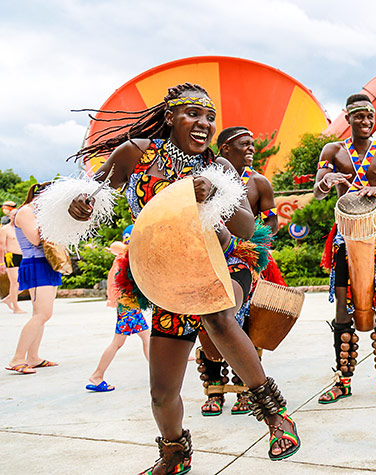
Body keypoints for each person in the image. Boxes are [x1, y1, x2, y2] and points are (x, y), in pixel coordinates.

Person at [68, 83, 299, 473]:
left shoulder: (218, 167)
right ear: (170, 117)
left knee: (217, 315)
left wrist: (216, 195)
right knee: (162, 392)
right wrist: (79, 206)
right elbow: (94, 199)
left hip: (225, 262)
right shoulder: (135, 154)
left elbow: (245, 225)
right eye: (194, 114)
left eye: (210, 118)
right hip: (170, 277)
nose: (204, 124)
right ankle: (174, 453)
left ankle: (277, 418)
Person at [314, 94, 376, 404]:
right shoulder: (333, 151)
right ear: (348, 117)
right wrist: (326, 181)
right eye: (359, 117)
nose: (366, 122)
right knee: (342, 306)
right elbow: (317, 193)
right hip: (343, 236)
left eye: (370, 116)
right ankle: (343, 381)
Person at [192, 126, 287, 417]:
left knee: (244, 321)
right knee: (205, 320)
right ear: (224, 149)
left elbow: (272, 223)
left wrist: (252, 242)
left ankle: (247, 388)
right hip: (205, 256)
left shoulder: (259, 183)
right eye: (244, 144)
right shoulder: (202, 176)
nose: (251, 149)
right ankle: (215, 390)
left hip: (244, 258)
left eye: (252, 144)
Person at [86, 225, 150, 392]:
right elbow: (115, 245)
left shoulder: (130, 255)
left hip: (129, 305)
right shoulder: (125, 253)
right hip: (127, 305)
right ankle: (97, 375)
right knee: (118, 342)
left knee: (146, 338)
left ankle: (157, 373)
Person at [5, 183, 61, 374]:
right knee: (41, 314)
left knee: (44, 314)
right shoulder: (26, 212)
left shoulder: (37, 212)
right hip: (36, 264)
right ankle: (18, 358)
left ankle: (33, 357)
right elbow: (36, 239)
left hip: (47, 264)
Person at [0, 208, 26, 313]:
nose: (15, 217)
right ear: (10, 216)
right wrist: (1, 262)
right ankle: (16, 307)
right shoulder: (5, 229)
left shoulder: (22, 229)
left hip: (23, 256)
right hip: (11, 256)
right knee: (14, 282)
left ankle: (9, 298)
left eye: (17, 215)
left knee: (26, 282)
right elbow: (1, 247)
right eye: (13, 215)